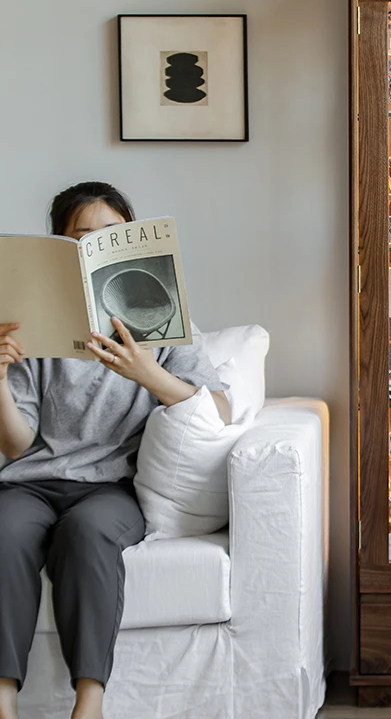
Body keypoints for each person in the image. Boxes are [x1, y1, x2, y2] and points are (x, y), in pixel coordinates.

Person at [0, 182, 230, 719]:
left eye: (112, 234)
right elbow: (16, 442)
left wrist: (146, 372)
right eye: (81, 237)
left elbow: (216, 409)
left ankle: (90, 703)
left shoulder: (168, 323)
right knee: (4, 531)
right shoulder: (34, 330)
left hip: (110, 489)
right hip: (28, 483)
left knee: (86, 535)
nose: (96, 244)